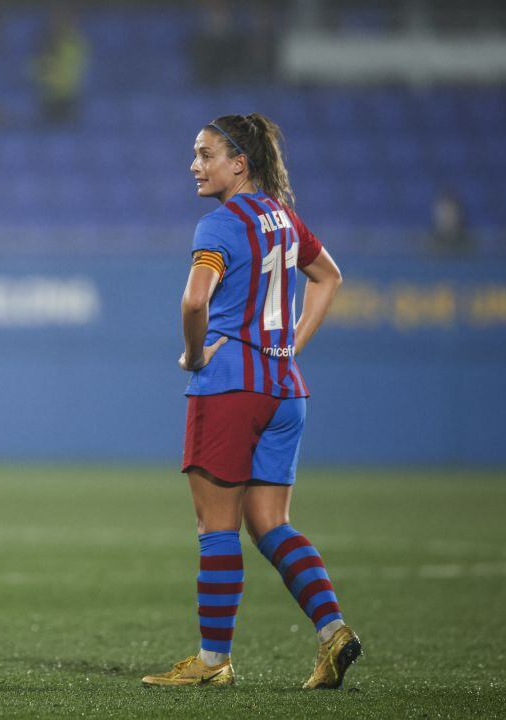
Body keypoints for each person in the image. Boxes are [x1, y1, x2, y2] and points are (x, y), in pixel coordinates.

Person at [140, 114, 356, 690]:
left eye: (205, 154)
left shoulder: (219, 225)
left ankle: (214, 663)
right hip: (286, 389)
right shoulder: (284, 219)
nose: (195, 165)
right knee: (270, 524)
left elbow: (193, 303)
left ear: (240, 162)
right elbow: (328, 277)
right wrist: (288, 348)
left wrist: (193, 355)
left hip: (231, 388)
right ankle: (333, 631)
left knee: (217, 527)